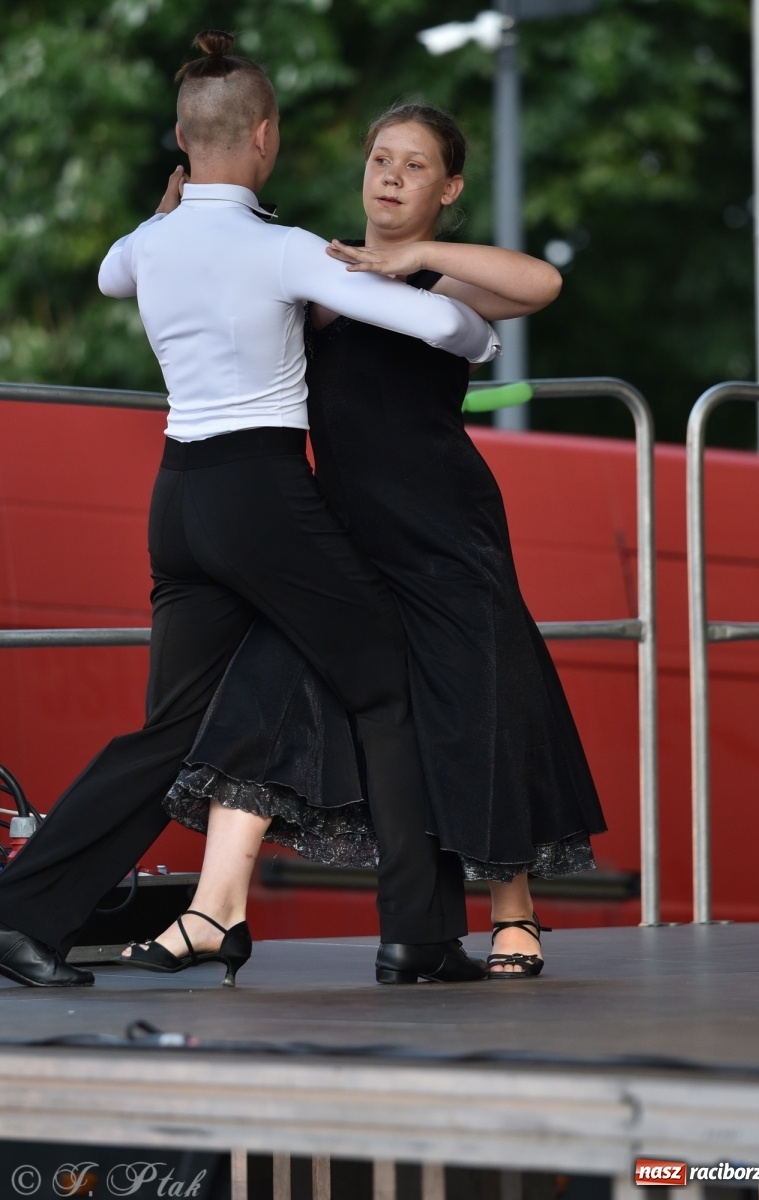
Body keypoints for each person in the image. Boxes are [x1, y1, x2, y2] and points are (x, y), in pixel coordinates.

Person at [0, 37, 501, 989]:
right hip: (260, 493)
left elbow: (111, 273)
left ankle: (23, 917)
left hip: (178, 498)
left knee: (171, 732)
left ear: (185, 141)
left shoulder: (151, 242)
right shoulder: (284, 250)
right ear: (264, 138)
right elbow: (445, 328)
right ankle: (420, 936)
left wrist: (167, 212)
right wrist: (453, 313)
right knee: (387, 680)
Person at [140, 102, 607, 981]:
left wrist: (417, 256)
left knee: (482, 702)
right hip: (340, 529)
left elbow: (542, 283)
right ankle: (214, 908)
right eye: (381, 158)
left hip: (444, 531)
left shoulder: (449, 284)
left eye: (416, 165)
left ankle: (515, 912)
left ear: (449, 187)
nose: (390, 176)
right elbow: (219, 285)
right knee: (268, 684)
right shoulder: (321, 273)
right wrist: (173, 227)